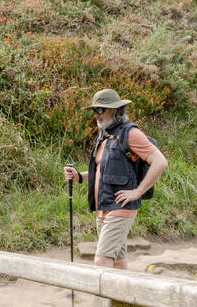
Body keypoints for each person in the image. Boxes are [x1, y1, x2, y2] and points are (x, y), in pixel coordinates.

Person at [63, 88, 168, 270]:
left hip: (120, 208)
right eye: (94, 110)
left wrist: (138, 192)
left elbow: (160, 162)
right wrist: (79, 176)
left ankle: (100, 292)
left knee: (101, 261)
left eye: (100, 110)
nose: (96, 114)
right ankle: (124, 290)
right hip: (103, 207)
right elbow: (103, 172)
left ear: (114, 110)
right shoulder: (104, 135)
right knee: (118, 261)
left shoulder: (130, 133)